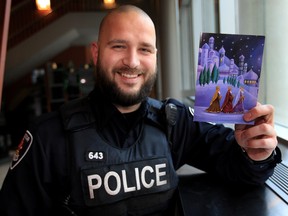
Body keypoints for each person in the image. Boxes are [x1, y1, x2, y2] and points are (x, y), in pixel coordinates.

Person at [0, 5, 282, 216]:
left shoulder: (175, 122)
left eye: (145, 49)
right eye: (119, 46)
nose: (132, 62)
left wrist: (257, 151)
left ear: (155, 57)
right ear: (96, 53)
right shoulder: (47, 138)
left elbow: (239, 167)